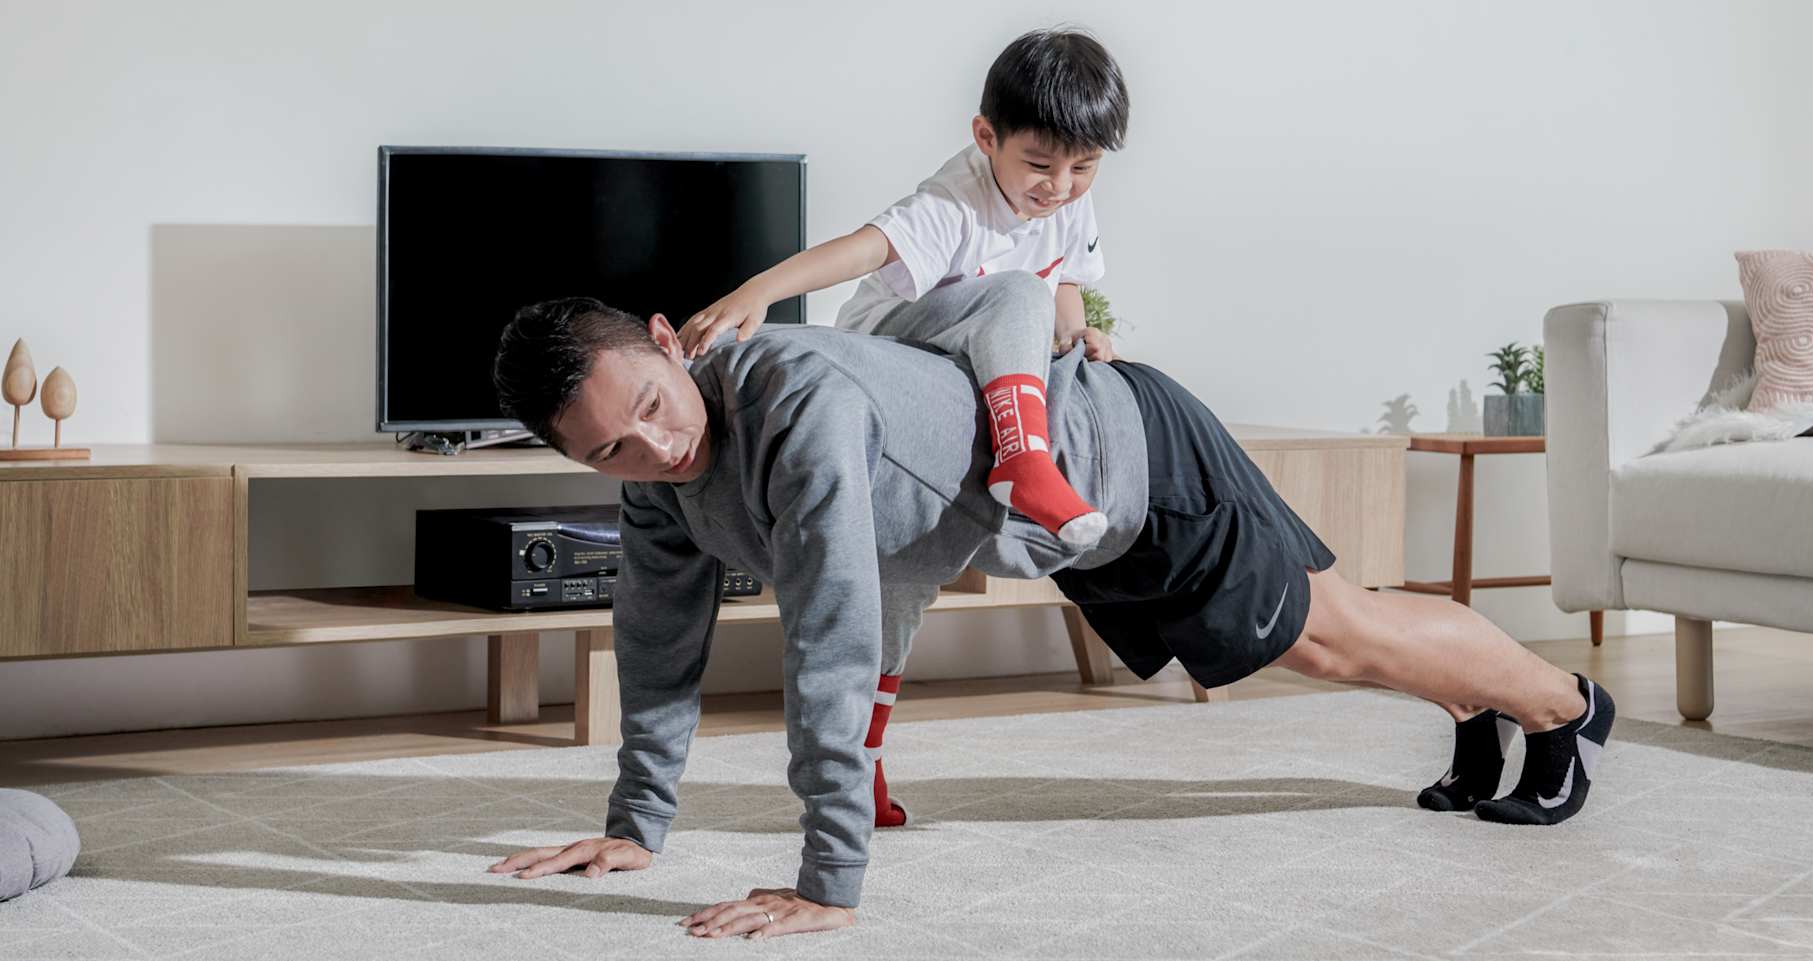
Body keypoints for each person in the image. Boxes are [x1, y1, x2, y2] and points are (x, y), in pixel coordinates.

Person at [484, 293, 1615, 941]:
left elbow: (833, 634)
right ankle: (1477, 711)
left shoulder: (797, 404)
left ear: (670, 339)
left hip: (1133, 459)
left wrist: (828, 882)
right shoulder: (659, 487)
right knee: (1328, 635)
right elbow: (657, 641)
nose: (659, 448)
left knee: (1330, 636)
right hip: (1072, 520)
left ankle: (1564, 708)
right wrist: (637, 824)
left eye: (654, 404)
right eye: (613, 450)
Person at [677, 28, 1128, 553]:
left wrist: (1074, 334)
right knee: (1021, 293)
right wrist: (759, 291)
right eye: (1040, 165)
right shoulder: (955, 202)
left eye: (1084, 166)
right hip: (887, 346)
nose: (1060, 185)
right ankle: (1025, 459)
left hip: (952, 367)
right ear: (987, 138)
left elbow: (1064, 275)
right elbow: (865, 249)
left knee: (903, 575)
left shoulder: (1068, 200)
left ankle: (1016, 464)